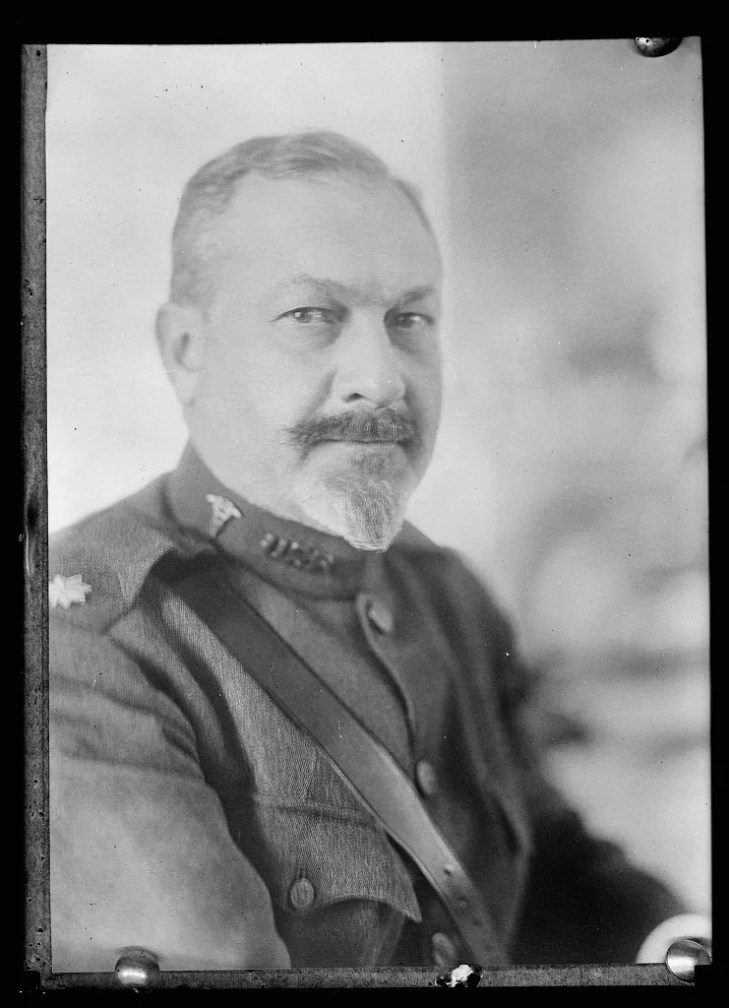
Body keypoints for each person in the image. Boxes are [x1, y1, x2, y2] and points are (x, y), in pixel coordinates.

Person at [48, 131, 702, 973]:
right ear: (186, 350)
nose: (382, 376)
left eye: (409, 319)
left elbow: (552, 875)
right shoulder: (90, 648)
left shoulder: (442, 593)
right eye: (311, 316)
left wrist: (678, 950)